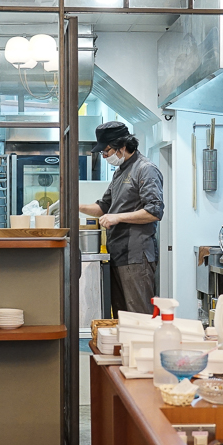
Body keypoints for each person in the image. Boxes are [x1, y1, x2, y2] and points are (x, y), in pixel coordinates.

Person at [79, 121, 165, 314]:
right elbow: (104, 207)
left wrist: (117, 218)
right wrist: (74, 206)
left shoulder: (146, 169)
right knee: (121, 316)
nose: (104, 156)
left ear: (122, 146)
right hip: (117, 254)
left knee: (139, 316)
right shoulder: (119, 173)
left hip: (136, 255)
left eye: (106, 151)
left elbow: (154, 211)